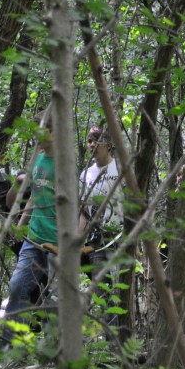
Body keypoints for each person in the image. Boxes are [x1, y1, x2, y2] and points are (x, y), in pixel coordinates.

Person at [2, 117, 57, 342]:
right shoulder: (38, 160)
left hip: (57, 242)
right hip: (33, 239)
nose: (36, 137)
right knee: (17, 287)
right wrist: (21, 225)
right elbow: (33, 197)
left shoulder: (66, 163)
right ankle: (8, 348)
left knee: (53, 299)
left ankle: (53, 350)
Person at [79, 124, 124, 325]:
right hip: (95, 241)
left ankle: (126, 340)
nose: (92, 145)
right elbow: (83, 211)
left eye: (96, 140)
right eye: (89, 140)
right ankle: (110, 346)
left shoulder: (121, 168)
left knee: (120, 289)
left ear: (109, 144)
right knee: (103, 292)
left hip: (120, 238)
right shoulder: (85, 175)